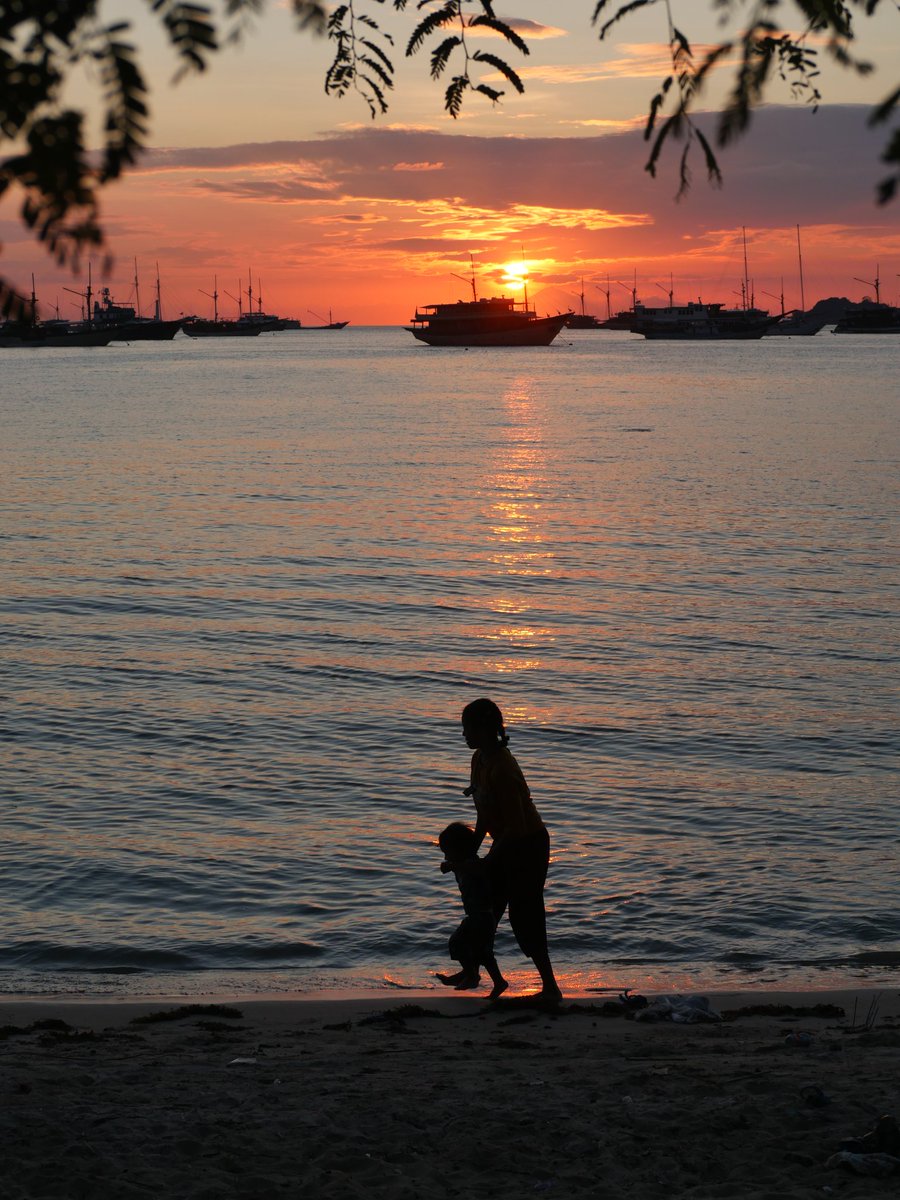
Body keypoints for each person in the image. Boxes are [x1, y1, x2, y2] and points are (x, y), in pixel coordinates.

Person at [460, 697, 562, 1004]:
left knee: (525, 914)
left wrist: (489, 860)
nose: (464, 734)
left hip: (527, 845)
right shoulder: (479, 759)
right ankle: (473, 972)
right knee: (485, 909)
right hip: (506, 841)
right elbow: (485, 814)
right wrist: (471, 854)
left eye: (469, 729)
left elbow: (516, 827)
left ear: (487, 730)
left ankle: (550, 988)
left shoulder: (502, 768)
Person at [435, 822, 508, 1000]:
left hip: (483, 916)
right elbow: (455, 866)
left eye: (447, 851)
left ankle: (473, 976)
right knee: (480, 950)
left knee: (458, 943)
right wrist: (451, 865)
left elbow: (475, 869)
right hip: (477, 915)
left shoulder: (471, 863)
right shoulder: (460, 864)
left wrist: (453, 866)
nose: (446, 856)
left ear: (459, 849)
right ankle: (479, 977)